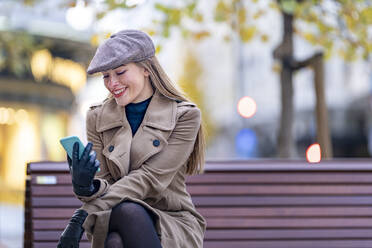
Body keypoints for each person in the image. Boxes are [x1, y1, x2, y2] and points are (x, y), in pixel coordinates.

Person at [57, 29, 206, 248]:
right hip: (112, 214)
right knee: (120, 228)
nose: (112, 83)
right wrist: (86, 187)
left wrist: (82, 215)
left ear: (146, 69)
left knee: (118, 236)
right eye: (106, 76)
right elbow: (106, 183)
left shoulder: (185, 116)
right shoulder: (97, 117)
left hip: (171, 220)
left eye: (120, 72)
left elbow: (149, 179)